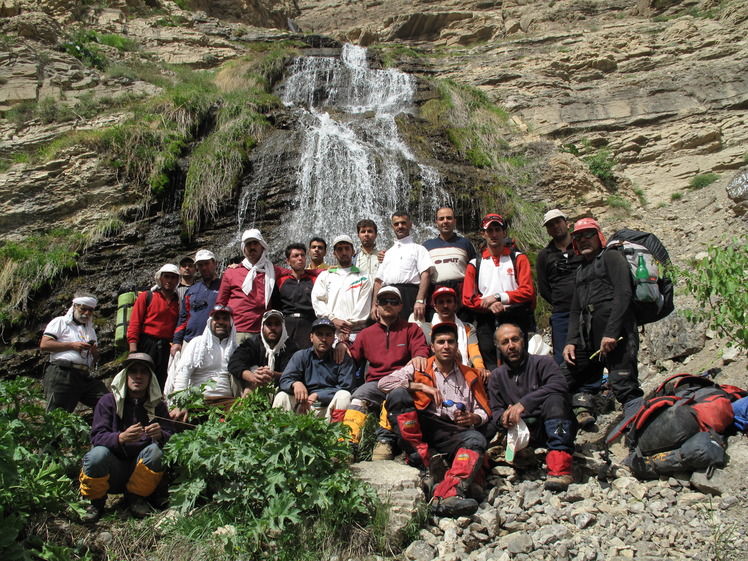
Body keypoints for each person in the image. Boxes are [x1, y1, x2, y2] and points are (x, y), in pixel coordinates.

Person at [378, 321, 490, 517]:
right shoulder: (419, 367)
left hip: (454, 430)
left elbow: (484, 411)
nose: (446, 346)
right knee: (398, 396)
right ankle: (422, 461)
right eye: (440, 342)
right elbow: (384, 384)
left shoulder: (470, 374)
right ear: (432, 346)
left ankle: (450, 493)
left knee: (476, 440)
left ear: (456, 346)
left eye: (450, 342)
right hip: (424, 423)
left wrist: (473, 417)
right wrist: (421, 387)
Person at [562, 217, 643, 429]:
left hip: (618, 336)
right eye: (577, 237)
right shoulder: (582, 270)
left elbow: (623, 294)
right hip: (588, 339)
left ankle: (638, 429)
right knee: (563, 378)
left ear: (599, 236)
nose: (583, 240)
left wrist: (612, 333)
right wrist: (571, 341)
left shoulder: (612, 257)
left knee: (623, 384)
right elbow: (575, 309)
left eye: (588, 234)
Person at [78, 353, 174, 523]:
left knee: (157, 452)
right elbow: (97, 436)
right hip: (111, 471)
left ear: (150, 377)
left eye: (143, 372)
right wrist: (120, 438)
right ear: (125, 376)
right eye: (133, 372)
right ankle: (95, 502)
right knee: (96, 454)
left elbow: (172, 438)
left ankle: (136, 498)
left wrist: (160, 435)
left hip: (140, 471)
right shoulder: (108, 402)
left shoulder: (158, 406)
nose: (138, 376)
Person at [341, 286, 430, 460]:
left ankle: (384, 441)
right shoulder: (366, 334)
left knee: (396, 395)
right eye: (383, 301)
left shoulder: (411, 330)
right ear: (377, 306)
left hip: (401, 383)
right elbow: (352, 359)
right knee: (359, 394)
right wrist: (340, 346)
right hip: (375, 383)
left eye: (393, 301)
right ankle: (347, 444)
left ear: (401, 306)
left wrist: (420, 355)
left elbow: (421, 349)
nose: (388, 305)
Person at [488, 323, 576, 492]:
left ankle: (560, 467)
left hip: (549, 424)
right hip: (521, 432)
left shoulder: (543, 362)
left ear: (524, 340)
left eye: (515, 339)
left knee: (555, 399)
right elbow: (496, 408)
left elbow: (559, 385)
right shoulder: (496, 377)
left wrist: (524, 404)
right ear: (498, 347)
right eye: (505, 342)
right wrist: (503, 419)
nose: (511, 346)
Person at [462, 213, 536, 370]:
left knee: (519, 359)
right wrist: (489, 305)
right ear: (483, 234)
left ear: (504, 232)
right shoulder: (475, 263)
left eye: (497, 229)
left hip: (515, 315)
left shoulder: (518, 258)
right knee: (489, 361)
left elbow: (528, 290)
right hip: (486, 319)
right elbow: (468, 298)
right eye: (490, 231)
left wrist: (499, 298)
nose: (494, 234)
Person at [274, 318, 356, 422]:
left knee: (344, 396)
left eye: (328, 335)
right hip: (304, 407)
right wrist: (295, 384)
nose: (324, 339)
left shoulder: (342, 358)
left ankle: (338, 435)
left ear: (333, 338)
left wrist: (318, 395)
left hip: (328, 408)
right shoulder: (301, 356)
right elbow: (284, 380)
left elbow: (347, 387)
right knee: (282, 396)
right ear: (311, 337)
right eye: (319, 334)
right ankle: (280, 436)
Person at [170, 305, 239, 422]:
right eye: (216, 318)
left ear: (231, 323)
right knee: (180, 419)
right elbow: (182, 375)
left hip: (226, 401)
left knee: (245, 413)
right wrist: (180, 404)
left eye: (225, 319)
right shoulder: (197, 343)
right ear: (210, 322)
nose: (220, 322)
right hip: (198, 400)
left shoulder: (235, 348)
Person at [216, 229, 289, 341]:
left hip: (262, 331)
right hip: (235, 330)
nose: (252, 247)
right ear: (244, 249)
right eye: (248, 244)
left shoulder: (272, 270)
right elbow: (221, 303)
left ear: (262, 247)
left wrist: (323, 270)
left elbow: (298, 272)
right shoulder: (231, 272)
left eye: (255, 243)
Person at [39, 293, 106, 413]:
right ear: (74, 306)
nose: (87, 313)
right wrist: (72, 345)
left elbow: (95, 359)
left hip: (84, 375)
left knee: (106, 400)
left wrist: (94, 351)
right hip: (63, 373)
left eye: (90, 310)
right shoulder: (60, 322)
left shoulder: (90, 330)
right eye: (83, 309)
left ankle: (101, 430)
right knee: (58, 414)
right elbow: (45, 345)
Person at [536, 210, 584, 365]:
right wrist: (558, 301)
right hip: (562, 312)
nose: (555, 226)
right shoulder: (545, 255)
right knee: (561, 354)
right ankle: (565, 386)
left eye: (558, 222)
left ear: (566, 223)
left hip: (588, 308)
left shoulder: (582, 246)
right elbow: (543, 289)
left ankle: (592, 386)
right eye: (550, 225)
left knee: (590, 347)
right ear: (547, 230)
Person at [372, 210, 434, 322]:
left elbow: (425, 275)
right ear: (392, 227)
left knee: (412, 331)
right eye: (396, 224)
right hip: (388, 296)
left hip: (410, 295)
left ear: (410, 225)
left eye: (403, 223)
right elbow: (378, 281)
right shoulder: (388, 253)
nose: (400, 226)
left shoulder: (419, 249)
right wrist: (375, 304)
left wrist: (420, 300)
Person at [418, 286, 490, 382]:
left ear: (455, 305)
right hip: (436, 374)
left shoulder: (467, 327)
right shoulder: (426, 328)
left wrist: (480, 367)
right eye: (441, 302)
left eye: (449, 301)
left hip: (465, 372)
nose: (445, 306)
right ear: (435, 307)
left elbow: (474, 351)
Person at [311, 235, 373, 346]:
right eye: (339, 249)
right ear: (334, 254)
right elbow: (317, 301)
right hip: (329, 334)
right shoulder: (325, 275)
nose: (343, 252)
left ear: (353, 251)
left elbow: (364, 305)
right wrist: (333, 319)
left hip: (355, 334)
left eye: (347, 248)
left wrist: (346, 326)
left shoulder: (364, 276)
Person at [127, 264, 180, 389]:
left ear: (177, 280)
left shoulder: (178, 302)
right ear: (160, 279)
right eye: (166, 277)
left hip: (166, 347)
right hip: (146, 343)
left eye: (173, 277)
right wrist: (133, 348)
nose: (169, 280)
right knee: (141, 379)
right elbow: (135, 322)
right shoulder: (147, 296)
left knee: (160, 381)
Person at [227, 310, 299, 393]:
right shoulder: (252, 343)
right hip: (252, 384)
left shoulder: (290, 347)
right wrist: (253, 377)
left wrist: (271, 375)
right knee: (234, 375)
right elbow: (234, 363)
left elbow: (293, 373)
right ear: (262, 326)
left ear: (283, 327)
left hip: (279, 388)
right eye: (269, 324)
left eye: (277, 324)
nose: (273, 328)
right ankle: (240, 404)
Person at [422, 207, 476, 316]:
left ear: (455, 221)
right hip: (435, 292)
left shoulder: (465, 243)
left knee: (463, 328)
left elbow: (475, 270)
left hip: (460, 293)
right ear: (436, 223)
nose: (445, 221)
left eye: (449, 218)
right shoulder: (427, 246)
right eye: (441, 219)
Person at [172, 249, 222, 357]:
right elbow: (183, 318)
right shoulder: (192, 290)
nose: (204, 268)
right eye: (200, 265)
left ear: (215, 264)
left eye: (207, 263)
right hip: (190, 341)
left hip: (216, 341)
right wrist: (176, 341)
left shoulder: (224, 286)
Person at [275, 243, 317, 349]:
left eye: (302, 255)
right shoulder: (280, 281)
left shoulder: (314, 280)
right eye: (296, 256)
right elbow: (275, 305)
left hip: (308, 324)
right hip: (286, 324)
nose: (300, 258)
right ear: (288, 261)